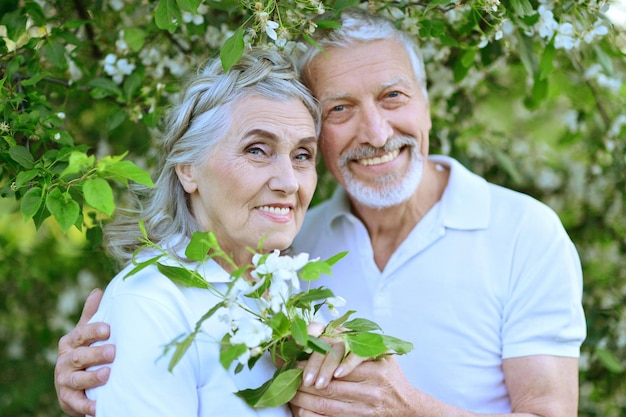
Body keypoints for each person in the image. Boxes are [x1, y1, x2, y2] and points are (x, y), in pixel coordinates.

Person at [55, 8, 586, 417]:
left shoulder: (524, 232)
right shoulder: (293, 248)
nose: (376, 133)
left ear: (427, 103)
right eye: (340, 109)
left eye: (393, 96)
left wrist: (410, 409)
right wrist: (105, 373)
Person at [72, 46, 324, 416]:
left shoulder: (278, 284)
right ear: (188, 168)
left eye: (302, 155)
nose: (289, 182)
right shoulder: (151, 304)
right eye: (257, 150)